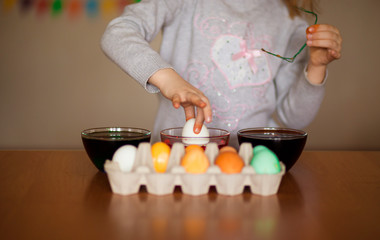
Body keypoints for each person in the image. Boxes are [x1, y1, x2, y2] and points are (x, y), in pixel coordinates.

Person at [101, 0, 342, 147]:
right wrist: (167, 79)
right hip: (175, 158)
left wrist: (317, 66)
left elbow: (294, 119)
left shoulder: (290, 19)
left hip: (250, 167)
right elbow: (117, 33)